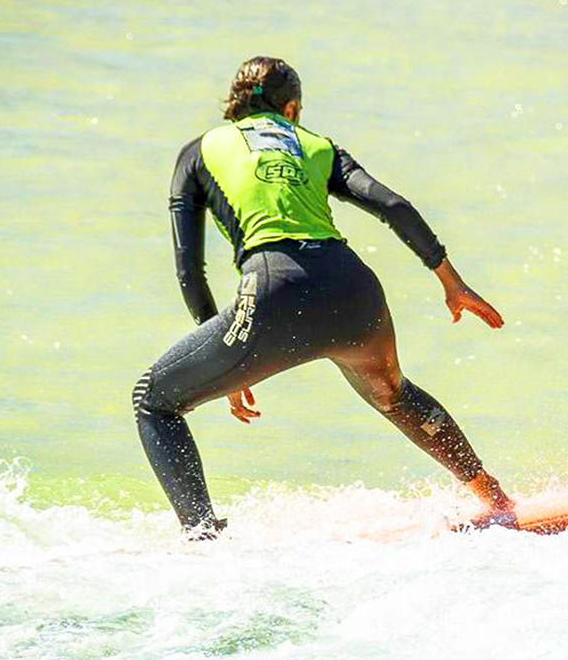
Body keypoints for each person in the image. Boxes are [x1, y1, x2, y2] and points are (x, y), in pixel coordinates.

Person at [132, 56, 515, 538]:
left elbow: (190, 267)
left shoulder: (199, 151)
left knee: (153, 401)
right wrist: (451, 282)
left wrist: (222, 358)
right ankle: (495, 497)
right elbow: (392, 205)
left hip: (274, 291)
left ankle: (203, 538)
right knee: (393, 394)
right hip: (355, 292)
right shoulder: (318, 146)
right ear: (291, 109)